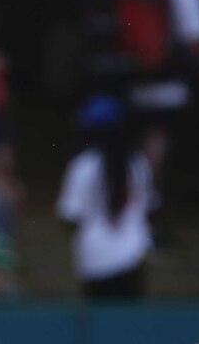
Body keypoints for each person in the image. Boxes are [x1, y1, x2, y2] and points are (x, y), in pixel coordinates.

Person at [56, 93, 157, 301]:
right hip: (134, 257)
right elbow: (149, 210)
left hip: (95, 259)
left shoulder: (83, 166)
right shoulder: (139, 164)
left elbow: (69, 216)